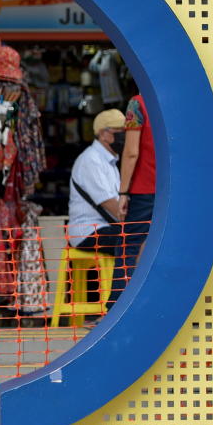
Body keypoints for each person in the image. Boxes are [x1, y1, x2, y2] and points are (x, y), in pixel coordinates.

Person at [67, 108, 127, 306]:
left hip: (104, 227)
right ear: (103, 134)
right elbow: (112, 205)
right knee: (131, 241)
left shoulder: (109, 162)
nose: (124, 137)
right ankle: (117, 304)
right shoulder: (91, 161)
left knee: (137, 237)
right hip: (87, 231)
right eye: (119, 132)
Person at [117, 93, 155, 285]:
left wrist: (123, 192)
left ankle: (117, 306)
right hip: (175, 189)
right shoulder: (180, 103)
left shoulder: (137, 104)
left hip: (144, 188)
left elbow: (131, 152)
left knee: (128, 248)